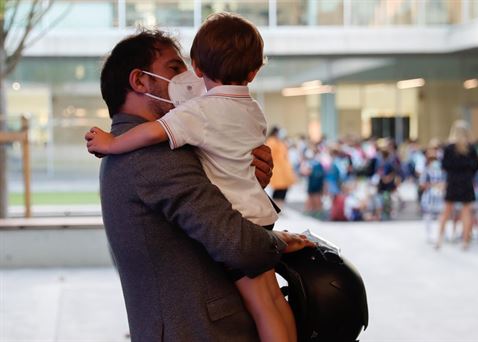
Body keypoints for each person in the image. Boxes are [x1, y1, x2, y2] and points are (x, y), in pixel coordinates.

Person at [86, 28, 313, 341]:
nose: (190, 78)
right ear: (140, 81)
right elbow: (239, 246)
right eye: (175, 69)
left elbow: (205, 220)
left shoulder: (159, 148)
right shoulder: (151, 154)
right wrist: (282, 240)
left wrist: (246, 181)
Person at [436, 120, 478, 250]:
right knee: (466, 212)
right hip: (466, 182)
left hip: (453, 182)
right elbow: (476, 167)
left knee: (446, 212)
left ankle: (439, 240)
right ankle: (465, 241)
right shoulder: (471, 148)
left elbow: (444, 166)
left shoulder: (449, 148)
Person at [266, 126, 297, 209]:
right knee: (279, 189)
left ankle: (279, 207)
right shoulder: (271, 141)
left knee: (283, 189)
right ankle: (276, 207)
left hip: (283, 170)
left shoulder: (279, 142)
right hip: (278, 170)